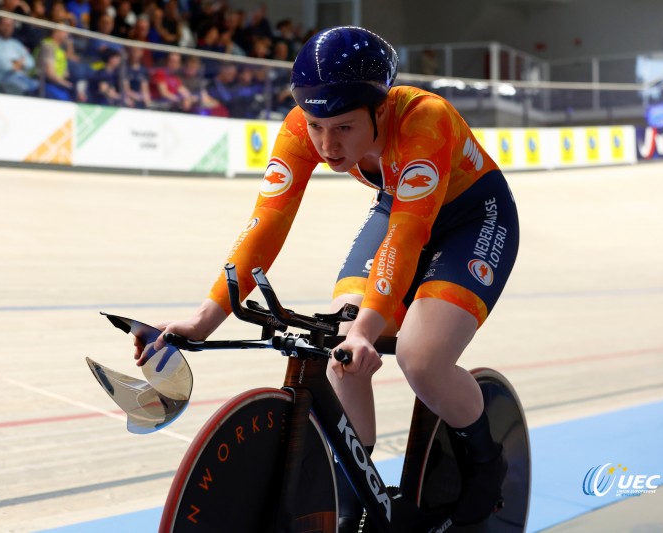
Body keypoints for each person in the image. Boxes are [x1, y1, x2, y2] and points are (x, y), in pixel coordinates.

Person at [133, 26, 519, 530]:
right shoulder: (303, 125)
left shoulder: (425, 119)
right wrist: (206, 318)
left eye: (342, 128)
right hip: (398, 206)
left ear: (380, 110)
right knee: (339, 354)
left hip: (473, 220)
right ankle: (359, 494)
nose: (326, 144)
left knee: (421, 359)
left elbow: (407, 237)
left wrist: (366, 331)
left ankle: (488, 464)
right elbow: (266, 222)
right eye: (316, 126)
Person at [0, 17, 37, 95]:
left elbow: (31, 63)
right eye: (4, 25)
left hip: (22, 78)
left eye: (10, 25)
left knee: (40, 87)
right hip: (3, 81)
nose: (7, 28)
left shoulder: (16, 43)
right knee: (28, 91)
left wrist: (15, 63)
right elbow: (5, 66)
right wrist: (21, 62)